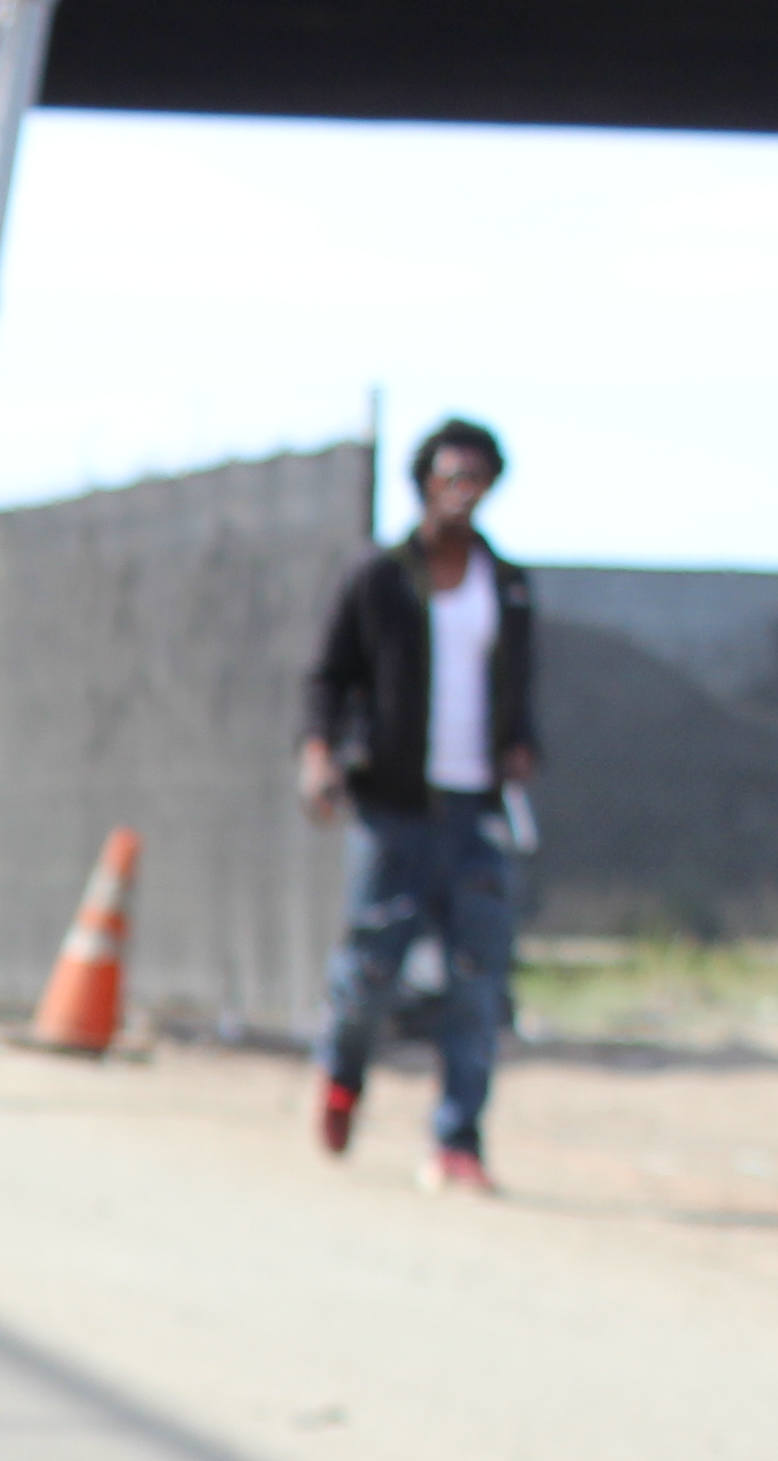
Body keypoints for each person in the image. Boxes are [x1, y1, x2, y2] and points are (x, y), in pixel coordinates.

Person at [297, 415, 540, 1193]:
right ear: (424, 483)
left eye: (475, 480)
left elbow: (518, 688)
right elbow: (326, 677)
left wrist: (519, 746)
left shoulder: (506, 584)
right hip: (392, 806)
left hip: (475, 809)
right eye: (449, 478)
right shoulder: (377, 576)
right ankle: (340, 1076)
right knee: (370, 968)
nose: (461, 494)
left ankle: (456, 1139)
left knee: (476, 980)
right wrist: (320, 757)